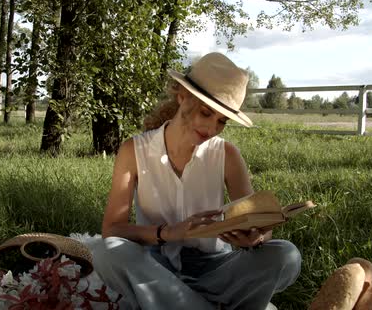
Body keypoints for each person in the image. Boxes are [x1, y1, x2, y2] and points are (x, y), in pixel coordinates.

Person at [92, 52, 301, 310]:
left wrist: (255, 238)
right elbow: (112, 229)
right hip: (156, 265)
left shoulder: (227, 154)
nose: (212, 128)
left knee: (286, 256)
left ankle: (175, 301)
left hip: (217, 269)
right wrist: (168, 232)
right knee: (106, 252)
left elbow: (258, 222)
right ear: (182, 96)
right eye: (206, 113)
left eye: (222, 121)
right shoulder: (133, 151)